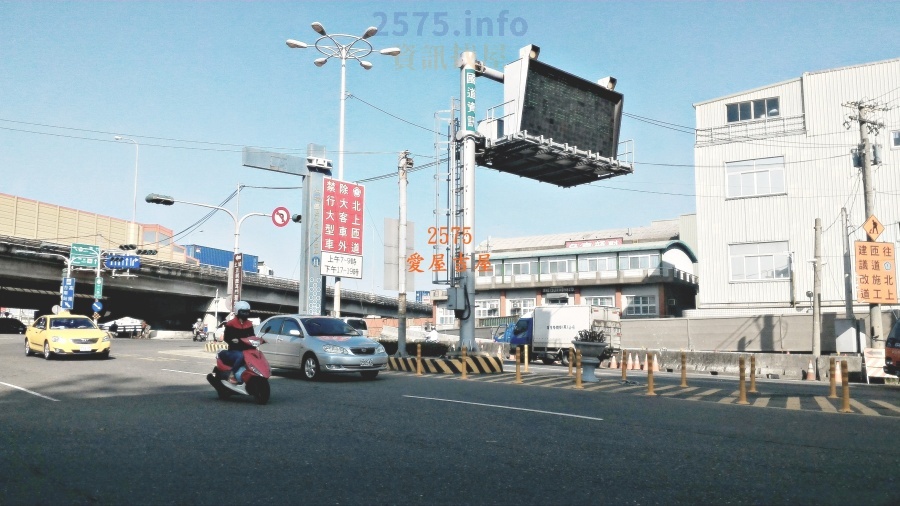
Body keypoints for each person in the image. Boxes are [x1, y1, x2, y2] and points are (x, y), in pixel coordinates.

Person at [221, 301, 255, 384]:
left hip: (247, 349)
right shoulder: (231, 324)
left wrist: (256, 340)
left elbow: (252, 336)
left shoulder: (249, 324)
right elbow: (227, 338)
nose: (245, 314)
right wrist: (234, 341)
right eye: (243, 312)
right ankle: (232, 374)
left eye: (247, 312)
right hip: (234, 350)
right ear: (237, 312)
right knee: (240, 355)